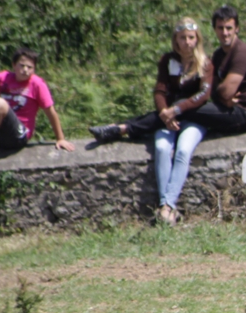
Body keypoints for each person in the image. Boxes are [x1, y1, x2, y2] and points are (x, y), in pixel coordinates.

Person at [87, 17, 213, 225]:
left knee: (182, 151)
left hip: (192, 118)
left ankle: (167, 206)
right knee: (162, 148)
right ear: (176, 40)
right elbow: (160, 90)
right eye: (182, 38)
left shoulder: (205, 64)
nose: (187, 42)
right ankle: (168, 208)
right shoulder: (168, 60)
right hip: (166, 119)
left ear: (197, 39)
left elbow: (203, 96)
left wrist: (176, 110)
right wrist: (165, 112)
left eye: (191, 38)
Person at [91, 6, 246, 141]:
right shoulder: (219, 55)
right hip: (228, 108)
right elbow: (218, 92)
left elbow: (224, 92)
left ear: (237, 29)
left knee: (181, 108)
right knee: (181, 107)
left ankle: (123, 128)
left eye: (229, 28)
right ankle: (122, 128)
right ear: (214, 29)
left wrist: (222, 94)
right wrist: (222, 95)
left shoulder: (241, 53)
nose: (225, 32)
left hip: (245, 114)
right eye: (220, 28)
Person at [0, 48, 74, 152]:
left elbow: (51, 112)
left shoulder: (37, 84)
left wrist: (60, 139)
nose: (25, 69)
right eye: (22, 65)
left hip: (18, 136)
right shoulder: (5, 77)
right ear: (14, 65)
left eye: (29, 67)